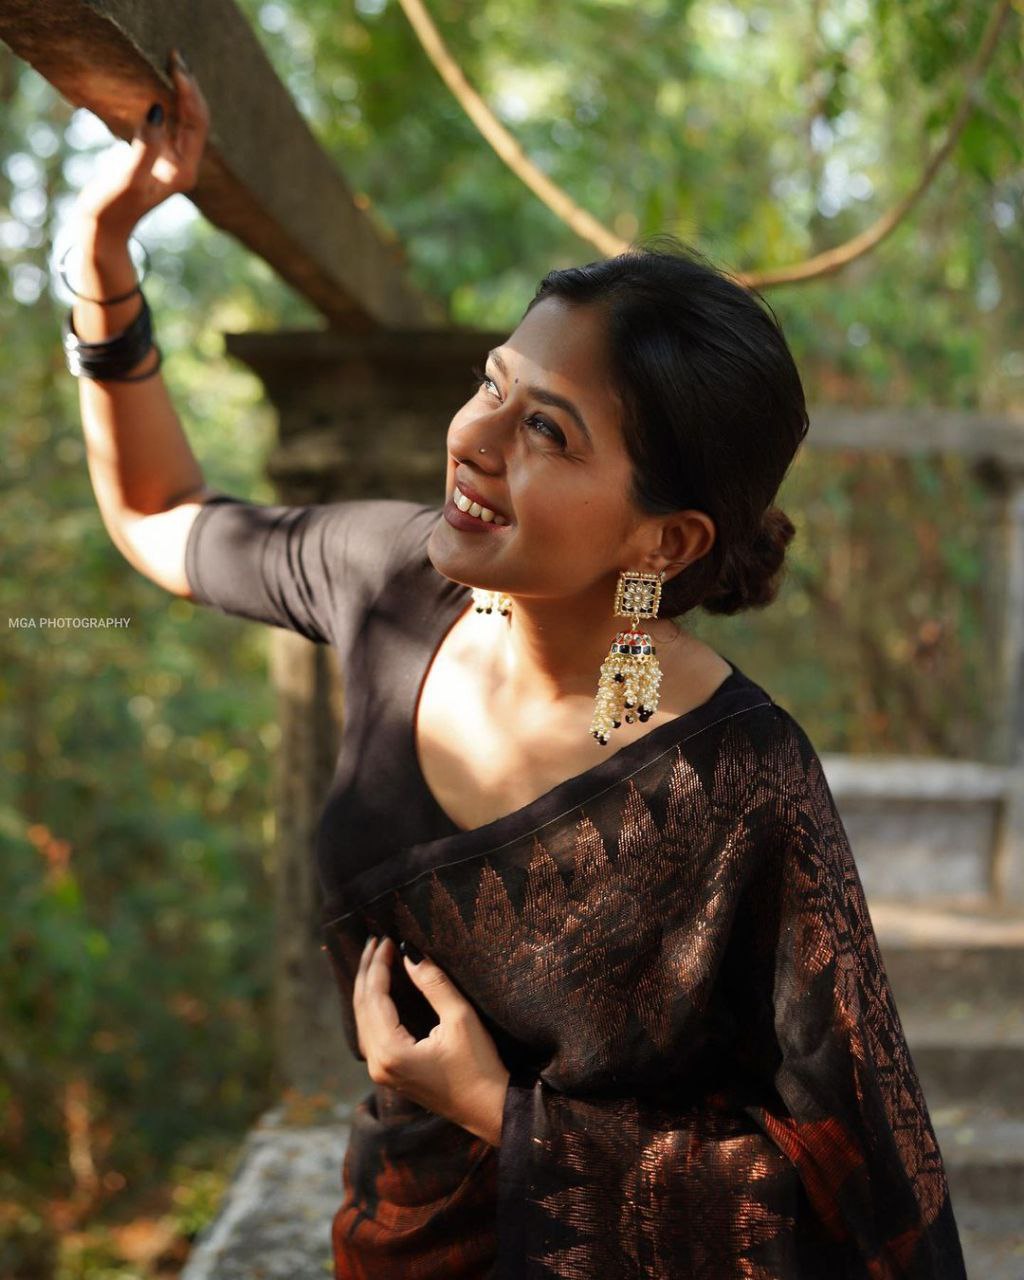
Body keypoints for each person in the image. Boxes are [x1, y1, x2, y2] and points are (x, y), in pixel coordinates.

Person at [64, 50, 967, 1280]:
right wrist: (108, 269)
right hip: (389, 1242)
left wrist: (504, 1114)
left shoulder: (736, 784)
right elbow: (161, 514)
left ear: (663, 538)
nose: (473, 440)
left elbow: (855, 1211)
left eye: (545, 428)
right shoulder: (389, 583)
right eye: (493, 384)